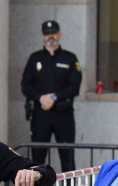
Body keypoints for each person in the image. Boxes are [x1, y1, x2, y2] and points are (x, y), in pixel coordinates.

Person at [21, 20, 83, 174]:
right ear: (43, 36)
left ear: (59, 35)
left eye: (54, 33)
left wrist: (54, 98)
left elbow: (75, 87)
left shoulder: (70, 58)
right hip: (41, 114)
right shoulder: (34, 58)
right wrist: (40, 98)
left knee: (67, 156)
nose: (51, 36)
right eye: (47, 34)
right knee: (38, 157)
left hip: (63, 114)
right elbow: (26, 86)